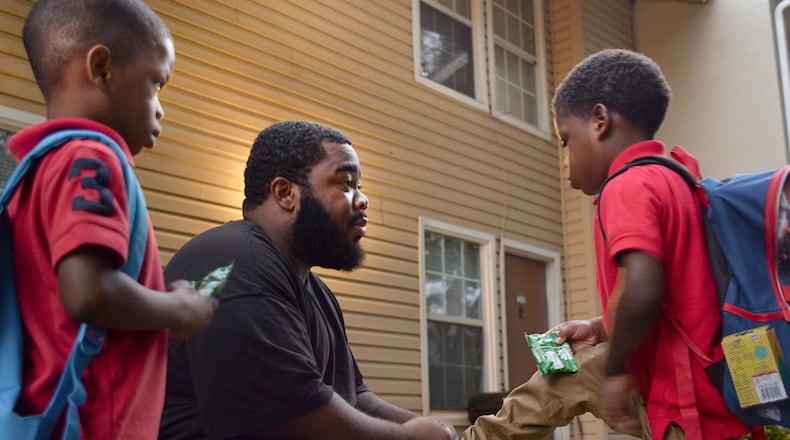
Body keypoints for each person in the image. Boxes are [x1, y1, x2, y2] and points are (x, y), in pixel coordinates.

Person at [463, 49, 751, 440]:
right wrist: (600, 328)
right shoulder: (678, 181)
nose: (565, 158)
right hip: (716, 389)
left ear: (599, 120)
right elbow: (681, 296)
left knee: (568, 379)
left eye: (565, 140)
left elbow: (644, 286)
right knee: (566, 376)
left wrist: (617, 370)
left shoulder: (627, 185)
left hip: (682, 405)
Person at [159, 120, 456, 440]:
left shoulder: (315, 291)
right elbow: (294, 417)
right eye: (346, 183)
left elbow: (353, 397)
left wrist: (426, 427)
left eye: (359, 185)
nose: (362, 199)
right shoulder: (236, 264)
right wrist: (410, 437)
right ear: (285, 193)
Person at [8, 0, 218, 438]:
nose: (160, 108)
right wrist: (176, 309)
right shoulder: (92, 157)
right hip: (90, 423)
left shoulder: (37, 172)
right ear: (101, 67)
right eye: (157, 83)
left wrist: (154, 299)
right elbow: (88, 291)